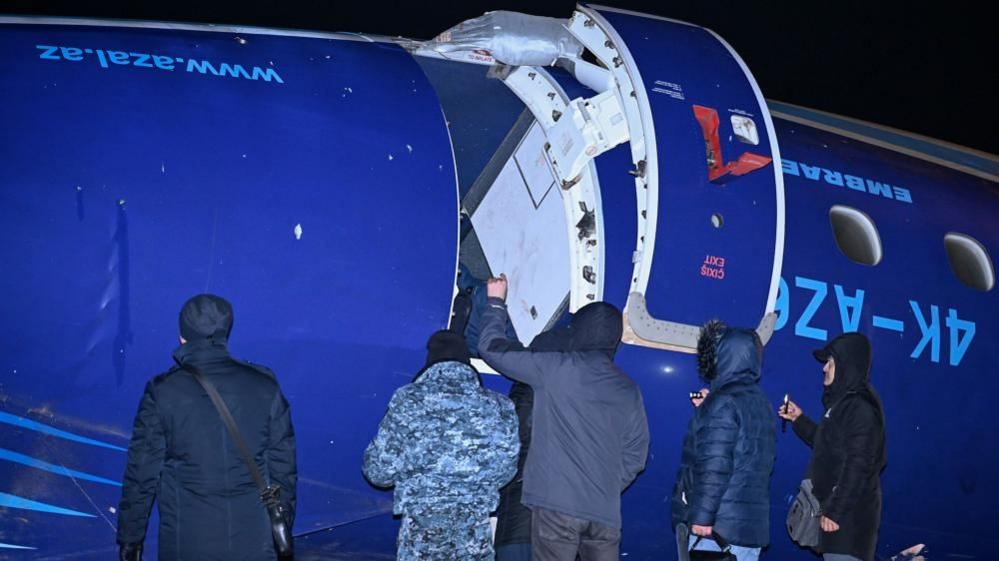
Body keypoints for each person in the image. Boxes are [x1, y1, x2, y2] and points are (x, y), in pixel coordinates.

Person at [477, 274, 649, 561]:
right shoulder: (628, 389)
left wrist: (495, 302)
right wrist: (603, 487)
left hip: (557, 507)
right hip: (604, 514)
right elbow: (636, 455)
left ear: (579, 331)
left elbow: (492, 349)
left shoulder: (558, 368)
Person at [116, 294, 297, 561]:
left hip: (186, 541)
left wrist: (130, 540)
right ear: (226, 332)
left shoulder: (163, 392)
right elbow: (283, 469)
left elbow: (142, 473)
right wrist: (281, 522)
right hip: (255, 541)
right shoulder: (264, 386)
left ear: (182, 336)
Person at [363, 329, 520, 561]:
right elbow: (506, 471)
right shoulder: (500, 407)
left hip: (420, 530)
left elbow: (378, 472)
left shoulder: (408, 401)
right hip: (474, 529)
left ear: (430, 364)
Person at [671, 320, 776, 561]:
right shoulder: (760, 402)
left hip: (719, 531)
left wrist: (702, 517)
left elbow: (715, 464)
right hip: (748, 530)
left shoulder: (724, 402)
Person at [778, 332, 887, 561]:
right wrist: (799, 419)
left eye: (830, 362)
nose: (824, 368)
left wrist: (835, 511)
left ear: (846, 364)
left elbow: (859, 463)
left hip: (848, 527)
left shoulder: (860, 408)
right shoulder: (845, 405)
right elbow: (829, 445)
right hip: (840, 527)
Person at [494, 326, 571, 561]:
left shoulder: (524, 388)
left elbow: (508, 448)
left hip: (519, 514)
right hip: (560, 522)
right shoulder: (572, 392)